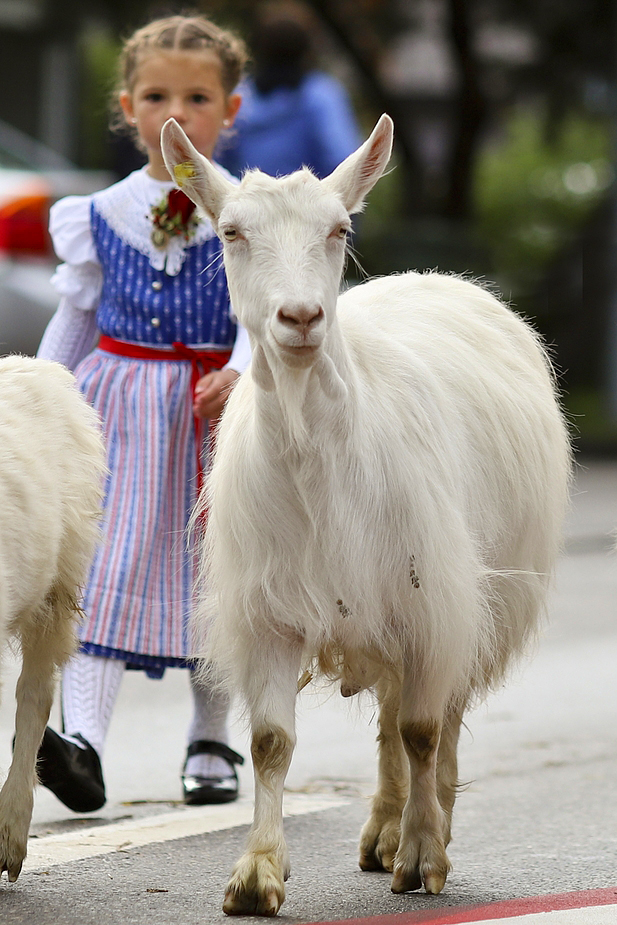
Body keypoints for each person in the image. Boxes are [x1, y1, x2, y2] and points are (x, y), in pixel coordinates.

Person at [35, 14, 249, 812]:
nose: (175, 114)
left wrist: (238, 369)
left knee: (215, 568)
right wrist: (40, 392)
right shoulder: (99, 214)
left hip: (212, 416)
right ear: (126, 107)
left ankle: (211, 736)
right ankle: (83, 741)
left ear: (229, 111)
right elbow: (78, 316)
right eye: (156, 95)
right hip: (120, 409)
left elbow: (268, 312)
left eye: (197, 97)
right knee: (106, 568)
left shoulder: (246, 210)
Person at [217, 0, 362, 179]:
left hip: (249, 202)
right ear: (306, 48)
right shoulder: (322, 95)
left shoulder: (239, 97)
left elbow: (217, 156)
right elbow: (343, 159)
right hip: (307, 204)